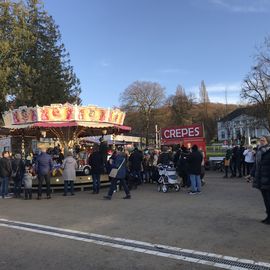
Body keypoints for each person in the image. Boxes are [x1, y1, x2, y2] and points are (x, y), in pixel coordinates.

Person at [251, 136, 270, 225]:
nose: (261, 142)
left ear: (267, 142)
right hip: (261, 178)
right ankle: (268, 216)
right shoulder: (259, 151)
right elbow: (256, 164)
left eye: (263, 140)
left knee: (268, 199)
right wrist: (251, 174)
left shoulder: (268, 152)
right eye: (260, 140)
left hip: (267, 178)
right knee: (265, 199)